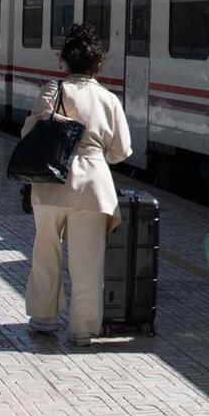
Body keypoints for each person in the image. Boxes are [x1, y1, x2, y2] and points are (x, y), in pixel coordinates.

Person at [23, 24, 132, 347]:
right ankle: (83, 329)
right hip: (94, 189)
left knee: (46, 251)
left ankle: (44, 317)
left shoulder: (52, 90)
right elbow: (121, 151)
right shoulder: (108, 99)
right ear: (97, 64)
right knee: (88, 261)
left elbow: (29, 134)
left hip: (51, 183)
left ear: (63, 60)